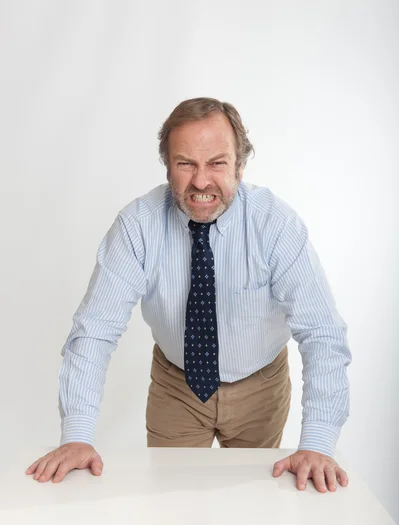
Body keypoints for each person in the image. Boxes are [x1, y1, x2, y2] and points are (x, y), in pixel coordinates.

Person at [26, 97, 352, 493]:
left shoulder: (275, 226)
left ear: (240, 166)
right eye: (186, 164)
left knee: (254, 507)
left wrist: (317, 445)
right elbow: (95, 331)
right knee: (168, 507)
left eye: (216, 163)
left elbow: (322, 333)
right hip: (176, 385)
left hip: (261, 386)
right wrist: (77, 434)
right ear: (167, 167)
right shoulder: (137, 227)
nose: (201, 182)